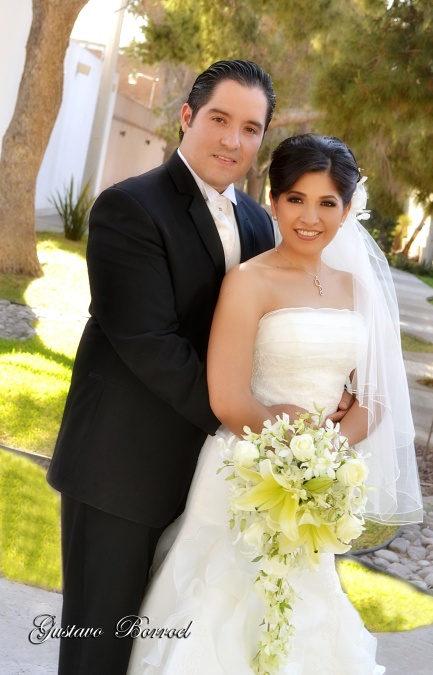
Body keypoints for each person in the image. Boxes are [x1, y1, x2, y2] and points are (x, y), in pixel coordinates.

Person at [47, 60, 352, 675]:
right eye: (219, 119)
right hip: (120, 473)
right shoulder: (128, 208)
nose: (232, 141)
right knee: (99, 653)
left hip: (214, 479)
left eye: (249, 128)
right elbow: (151, 344)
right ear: (187, 117)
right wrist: (255, 421)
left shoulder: (258, 222)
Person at [127, 134, 423, 674]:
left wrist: (326, 457)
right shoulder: (248, 282)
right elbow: (227, 397)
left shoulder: (359, 291)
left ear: (348, 208)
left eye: (327, 203)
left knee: (304, 623)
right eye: (296, 199)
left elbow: (375, 395)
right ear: (274, 199)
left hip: (317, 480)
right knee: (219, 616)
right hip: (243, 470)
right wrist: (296, 451)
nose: (310, 217)